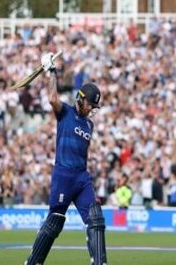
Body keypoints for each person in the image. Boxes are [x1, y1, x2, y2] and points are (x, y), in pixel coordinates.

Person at [25, 52, 107, 265]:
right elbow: (52, 98)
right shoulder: (65, 112)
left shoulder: (90, 124)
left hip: (81, 177)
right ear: (81, 98)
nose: (91, 109)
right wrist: (51, 71)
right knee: (54, 223)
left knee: (96, 219)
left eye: (93, 106)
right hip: (63, 175)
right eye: (90, 104)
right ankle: (32, 262)